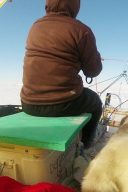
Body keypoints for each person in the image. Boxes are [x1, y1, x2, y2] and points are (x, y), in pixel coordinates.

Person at [20, 0, 103, 149]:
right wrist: (95, 56)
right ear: (75, 6)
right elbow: (93, 70)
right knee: (96, 102)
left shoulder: (35, 26)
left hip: (28, 103)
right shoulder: (81, 30)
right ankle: (86, 145)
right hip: (63, 103)